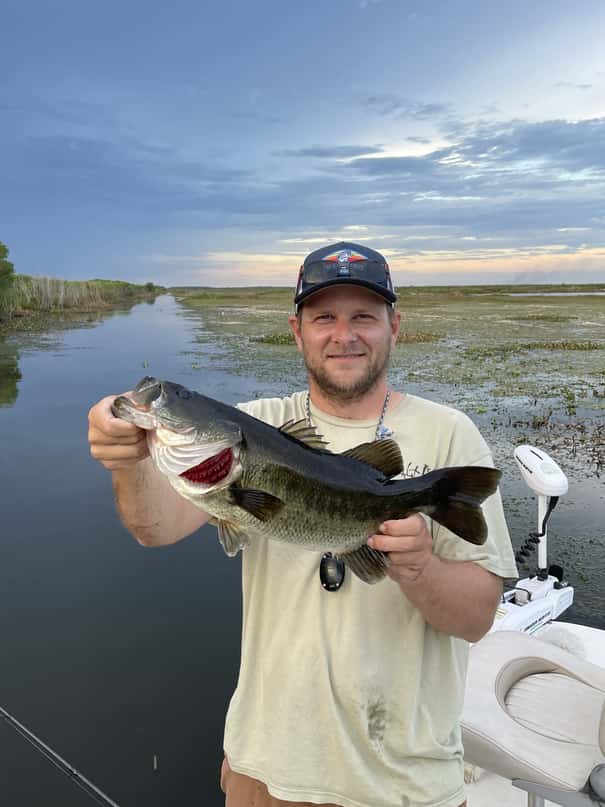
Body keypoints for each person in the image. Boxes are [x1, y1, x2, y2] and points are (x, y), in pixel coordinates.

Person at [88, 242, 518, 807]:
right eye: (324, 318)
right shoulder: (259, 423)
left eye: (364, 315)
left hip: (404, 786)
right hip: (266, 772)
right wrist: (130, 460)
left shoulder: (450, 436)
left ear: (395, 326)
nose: (344, 334)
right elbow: (153, 528)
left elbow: (477, 619)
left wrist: (419, 568)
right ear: (297, 330)